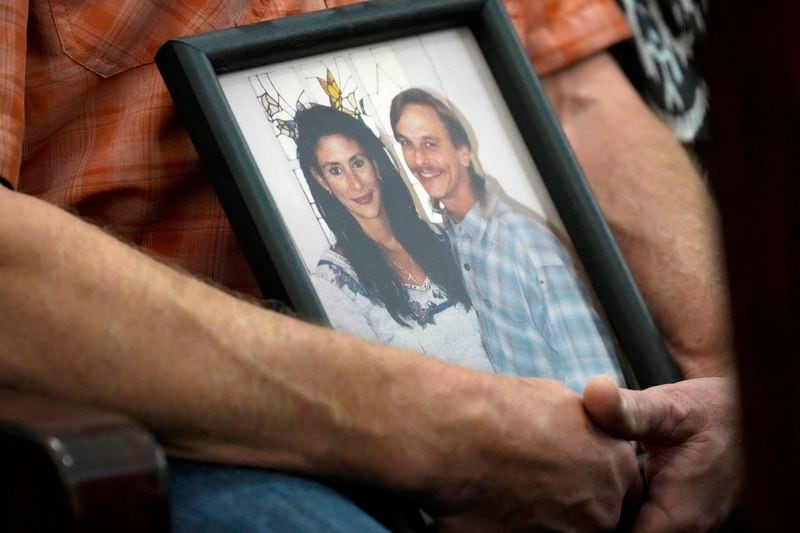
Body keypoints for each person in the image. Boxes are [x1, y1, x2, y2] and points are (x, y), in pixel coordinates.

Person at [0, 0, 740, 530]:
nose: (357, 180)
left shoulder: (467, 238)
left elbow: (580, 96)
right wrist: (450, 431)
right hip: (175, 422)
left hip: (555, 408)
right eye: (333, 171)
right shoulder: (346, 271)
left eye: (364, 161)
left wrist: (730, 392)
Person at [390, 88, 623, 394]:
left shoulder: (527, 245)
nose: (418, 160)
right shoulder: (451, 236)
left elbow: (600, 382)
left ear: (464, 151)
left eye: (430, 144)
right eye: (406, 143)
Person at [294, 104, 493, 372]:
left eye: (357, 162)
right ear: (321, 180)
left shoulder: (439, 237)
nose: (356, 184)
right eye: (335, 170)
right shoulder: (333, 285)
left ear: (374, 163)